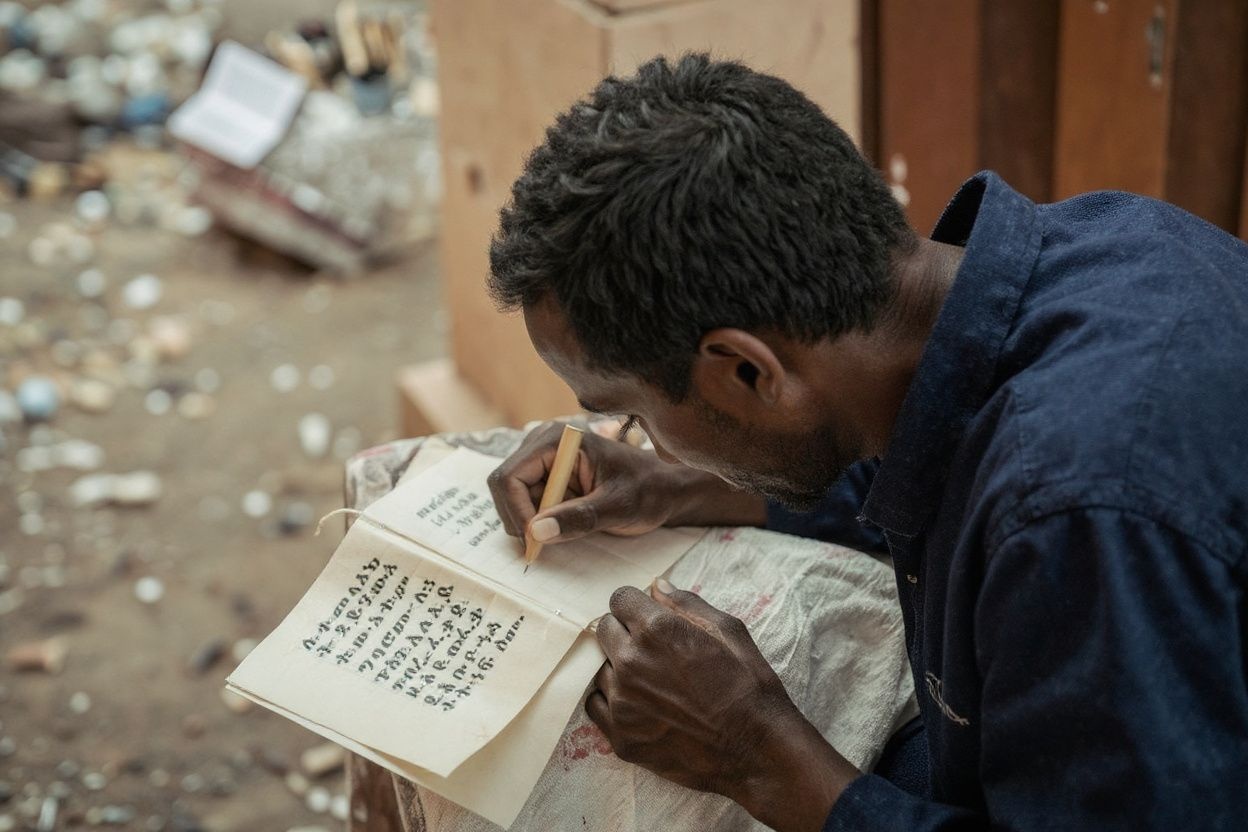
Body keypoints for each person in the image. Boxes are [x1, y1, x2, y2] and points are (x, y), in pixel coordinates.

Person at [484, 53, 1248, 831]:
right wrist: (690, 484)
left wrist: (757, 751)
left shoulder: (1069, 518)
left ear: (747, 370)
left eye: (636, 415)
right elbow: (931, 453)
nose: (652, 445)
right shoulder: (1107, 241)